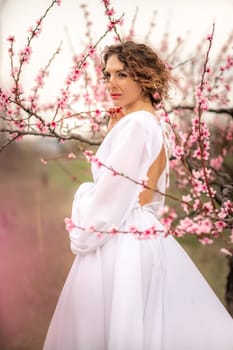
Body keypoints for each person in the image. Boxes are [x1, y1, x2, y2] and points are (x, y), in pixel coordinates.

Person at [43, 41, 233, 350]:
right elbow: (141, 191)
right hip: (145, 236)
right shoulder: (152, 124)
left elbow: (103, 209)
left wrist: (82, 192)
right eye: (108, 75)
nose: (111, 84)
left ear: (144, 78)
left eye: (123, 74)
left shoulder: (135, 126)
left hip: (121, 244)